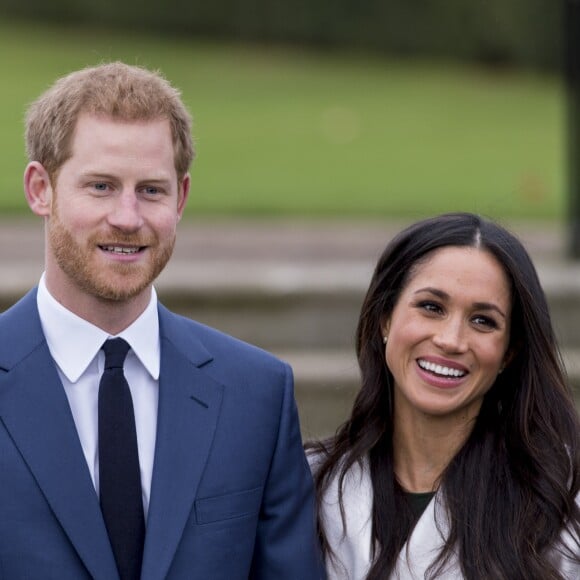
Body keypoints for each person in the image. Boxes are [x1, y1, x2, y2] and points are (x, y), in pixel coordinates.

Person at [0, 62, 324, 580]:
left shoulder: (256, 395)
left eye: (151, 190)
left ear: (182, 197)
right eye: (101, 186)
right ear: (41, 189)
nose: (128, 218)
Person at [308, 212, 580, 579]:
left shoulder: (561, 494)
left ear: (509, 352)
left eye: (483, 321)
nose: (451, 340)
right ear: (384, 318)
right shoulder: (310, 481)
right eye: (431, 307)